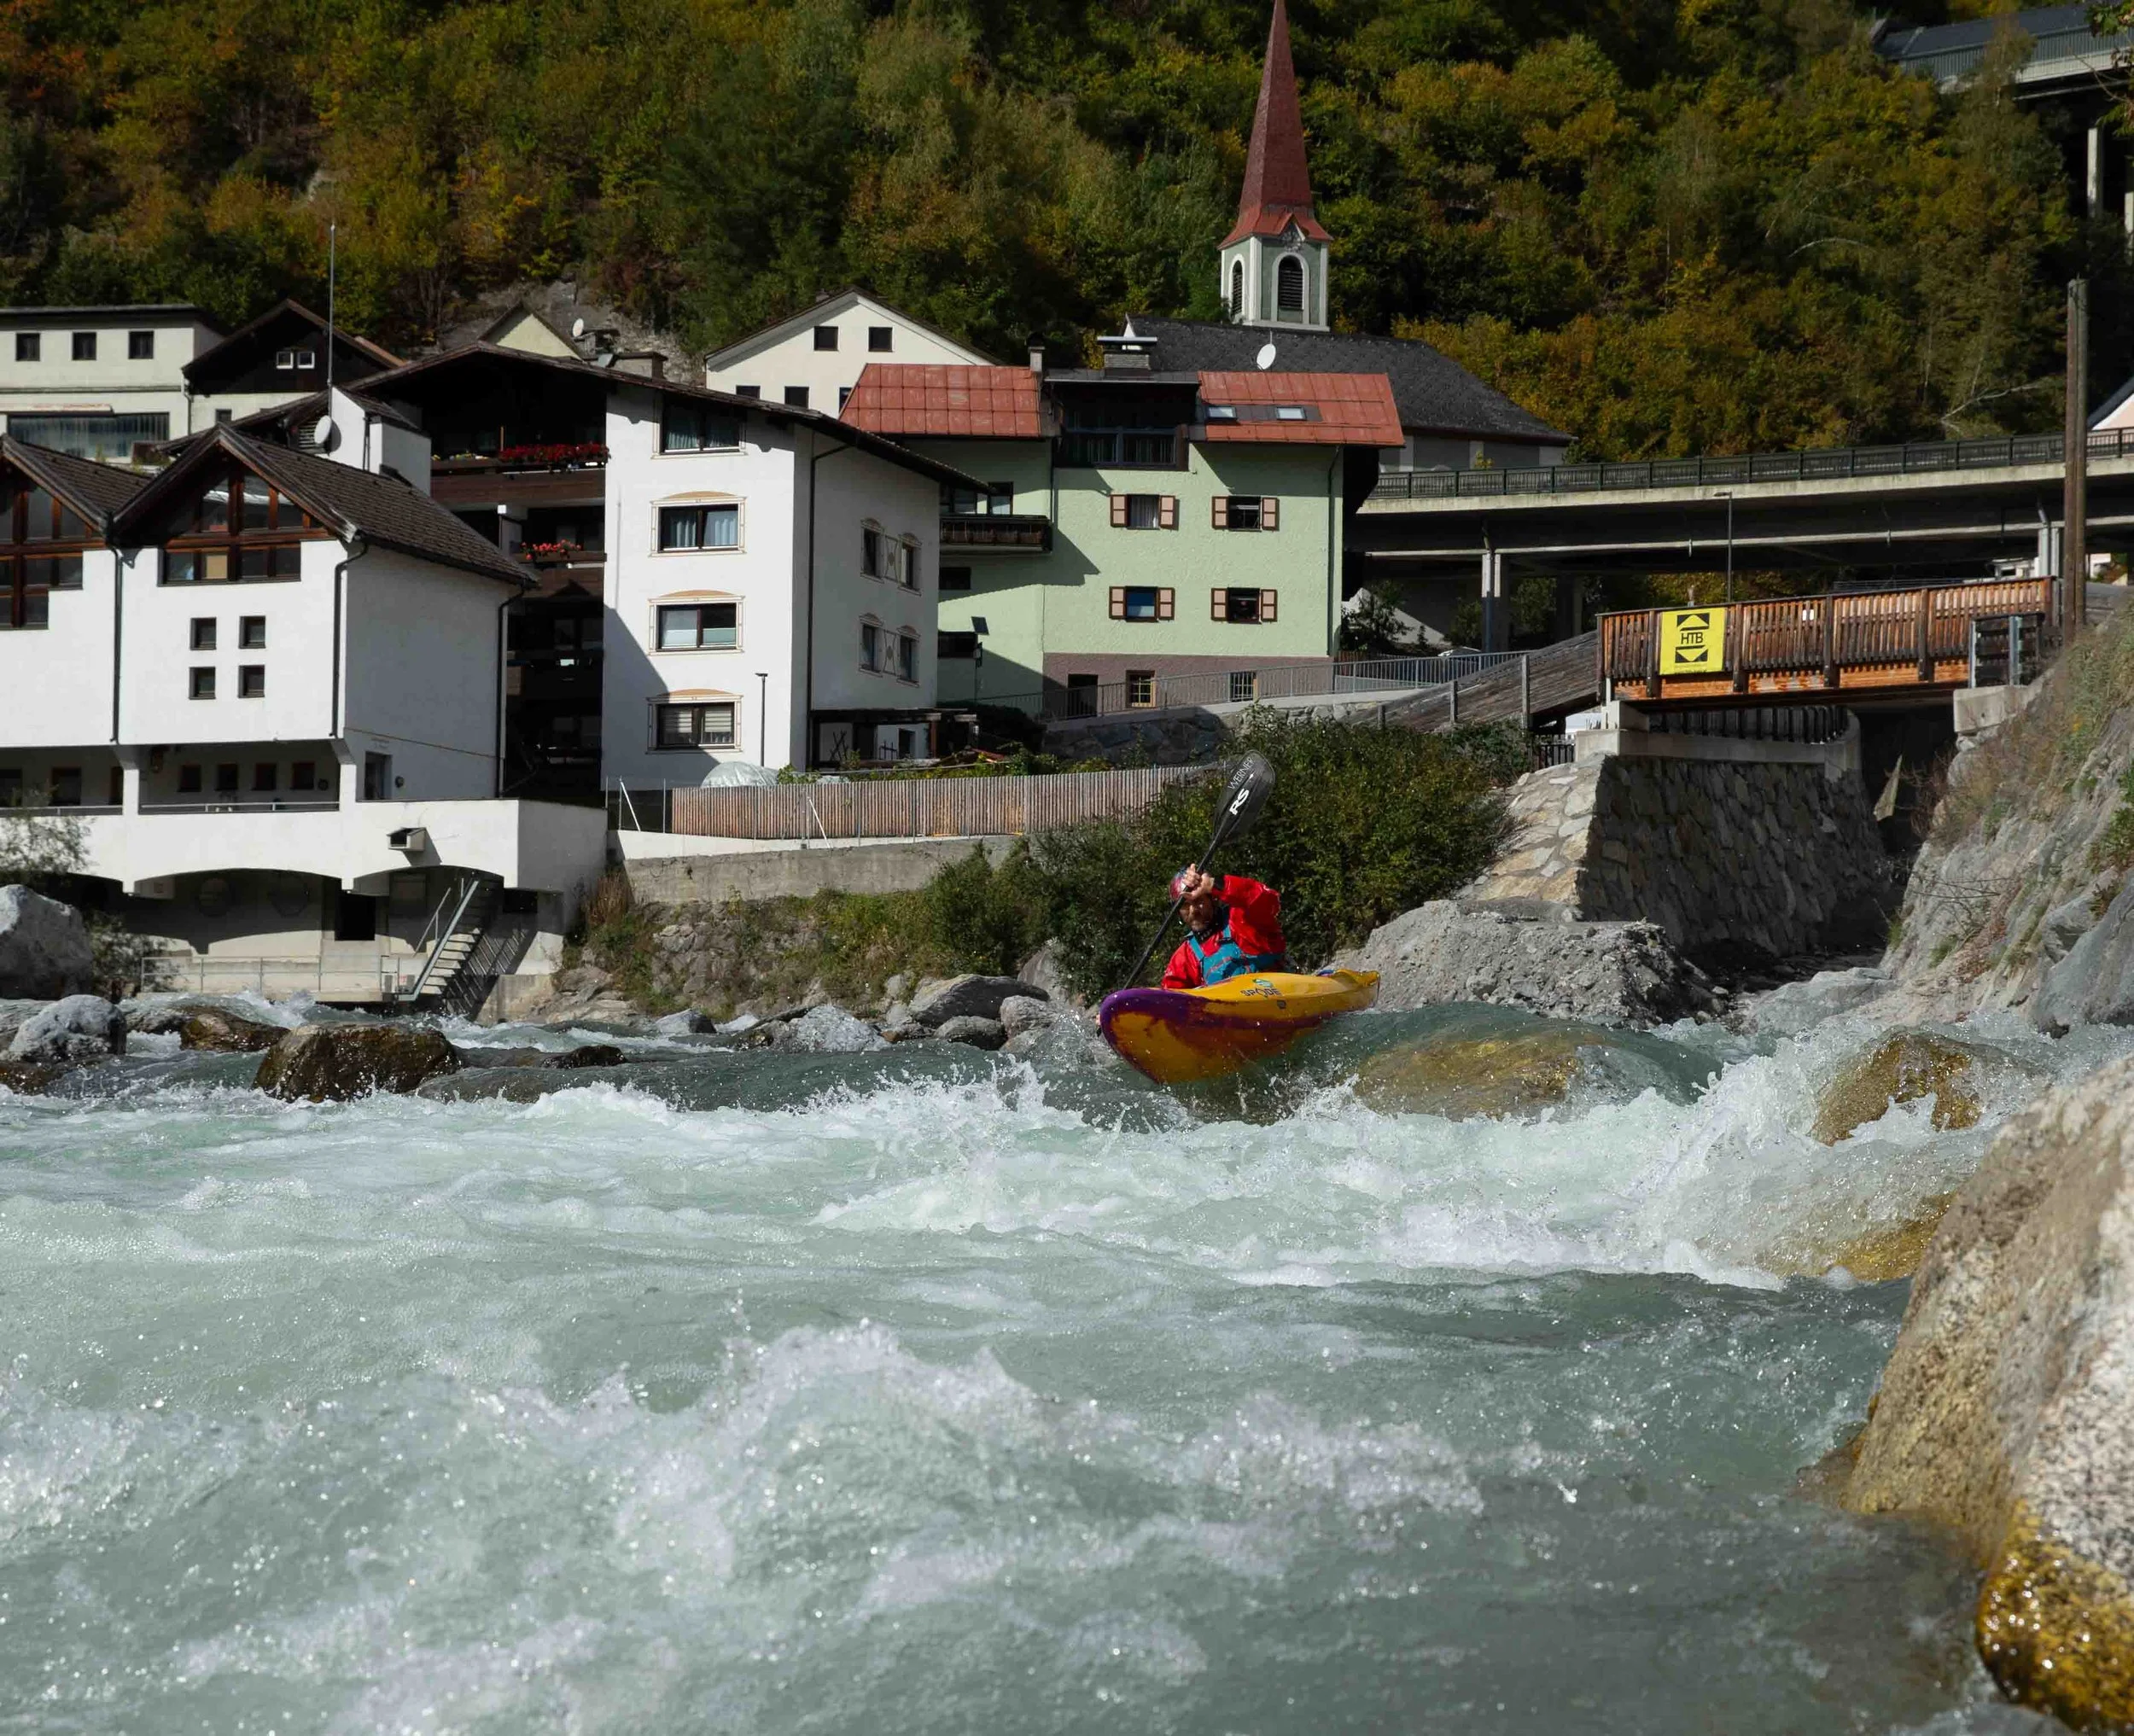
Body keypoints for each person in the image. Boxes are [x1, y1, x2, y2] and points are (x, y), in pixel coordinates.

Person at [1162, 864, 1288, 989]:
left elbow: (1269, 901)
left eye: (1199, 901)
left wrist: (1213, 884)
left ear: (1213, 899)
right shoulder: (1185, 957)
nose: (1193, 910)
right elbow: (1169, 996)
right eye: (1185, 905)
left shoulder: (1242, 920)